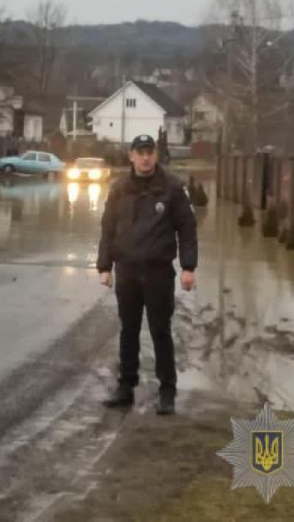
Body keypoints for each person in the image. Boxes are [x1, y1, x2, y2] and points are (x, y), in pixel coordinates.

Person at [96, 134, 198, 415]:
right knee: (128, 332)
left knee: (160, 332)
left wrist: (188, 267)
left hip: (158, 273)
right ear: (131, 155)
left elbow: (187, 230)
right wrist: (104, 266)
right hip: (127, 271)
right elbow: (107, 229)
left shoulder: (172, 189)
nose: (144, 157)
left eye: (149, 152)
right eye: (140, 152)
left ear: (156, 155)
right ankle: (126, 388)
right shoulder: (119, 189)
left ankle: (167, 391)